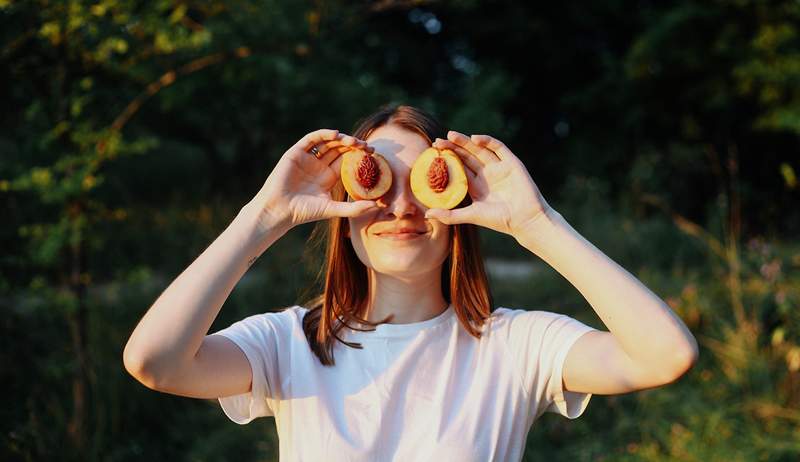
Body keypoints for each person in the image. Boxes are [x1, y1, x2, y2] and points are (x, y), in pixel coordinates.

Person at [123, 104, 699, 461]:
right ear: (342, 214)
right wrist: (263, 218)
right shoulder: (287, 344)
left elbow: (665, 355)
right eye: (376, 183)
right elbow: (155, 361)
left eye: (425, 184)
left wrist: (536, 224)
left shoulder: (516, 347)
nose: (400, 206)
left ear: (458, 209)